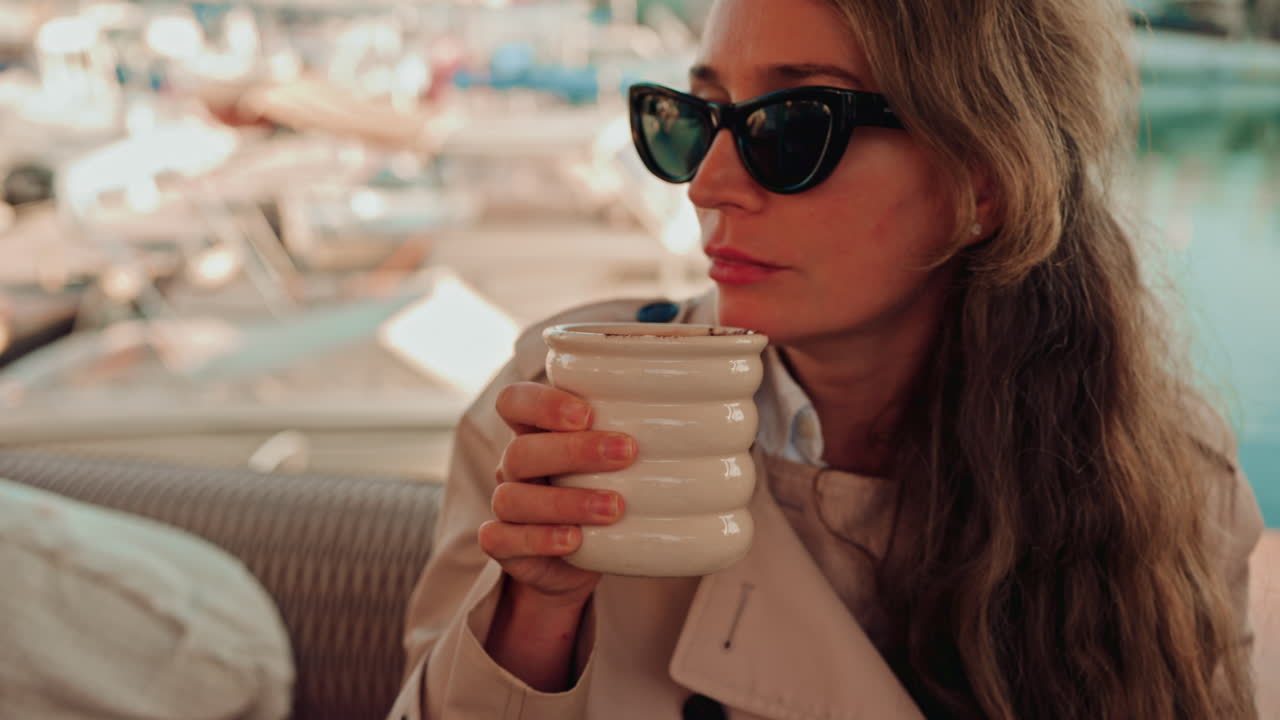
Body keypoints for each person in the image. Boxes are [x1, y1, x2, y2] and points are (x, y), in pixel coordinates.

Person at [387, 0, 1265, 717]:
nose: (706, 184)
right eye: (691, 119)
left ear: (986, 179)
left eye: (790, 125)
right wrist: (534, 615)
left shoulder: (1162, 476)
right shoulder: (564, 406)